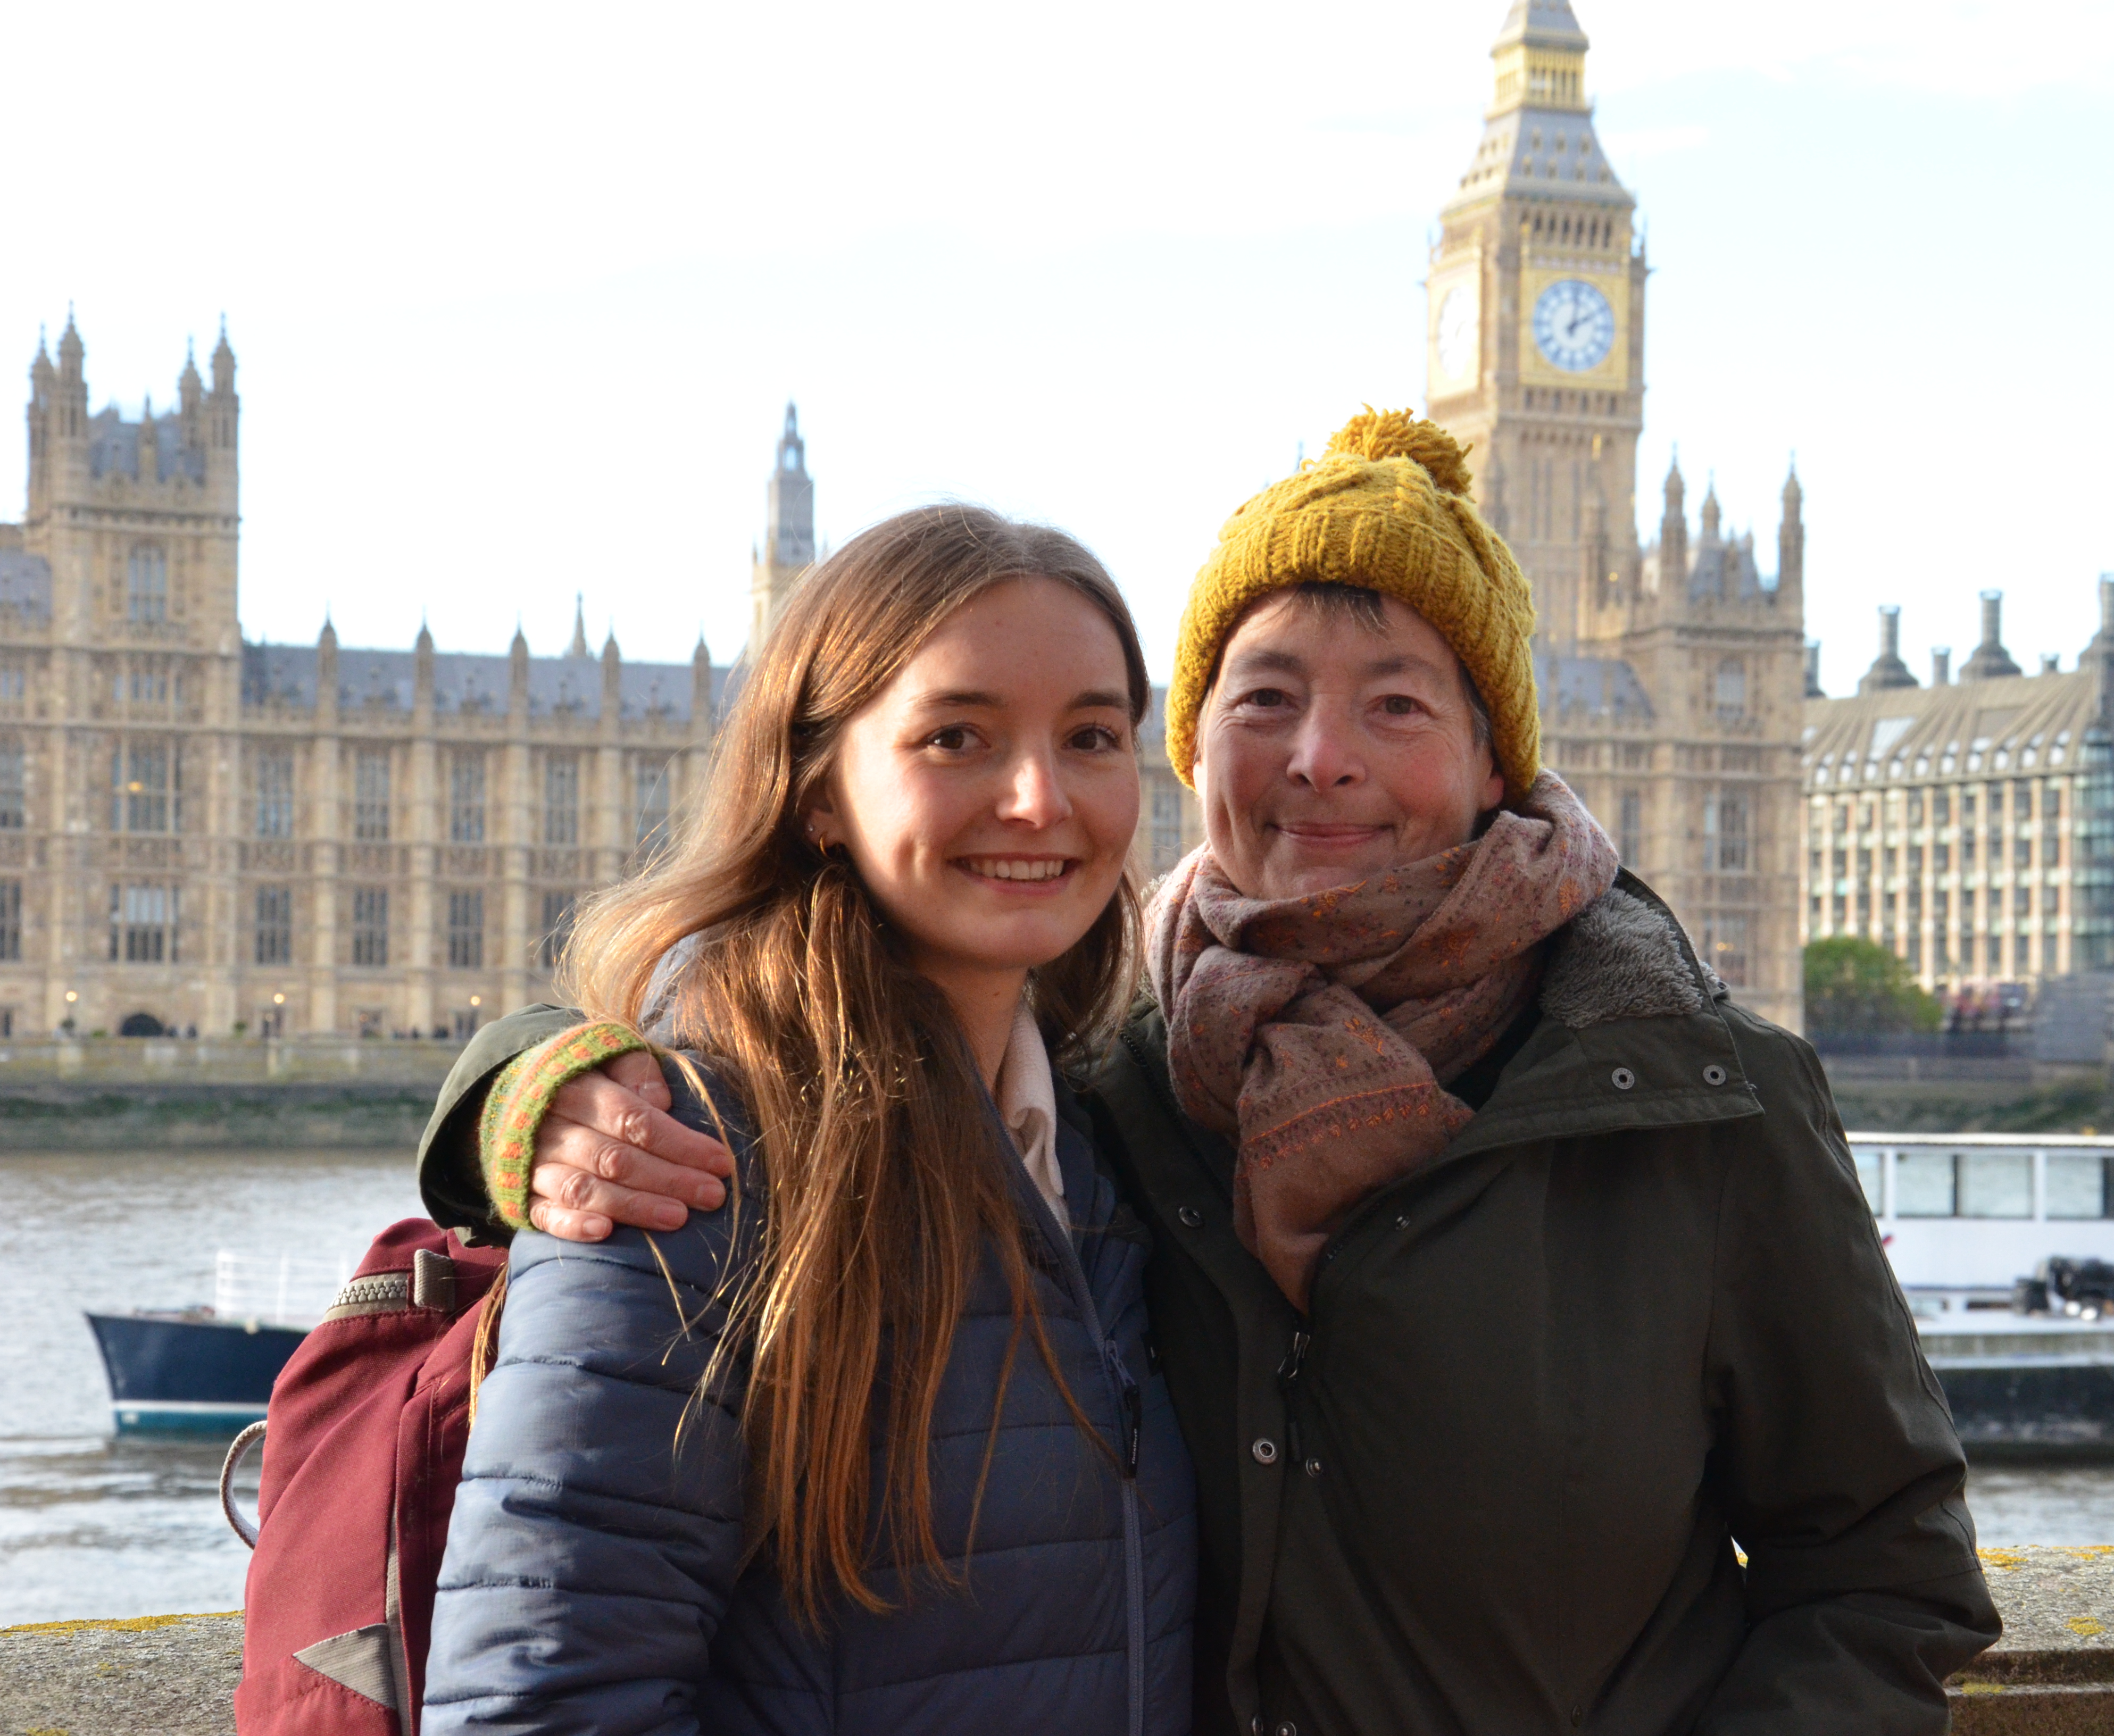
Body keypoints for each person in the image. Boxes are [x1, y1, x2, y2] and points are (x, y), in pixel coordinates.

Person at [420, 412, 1999, 1735]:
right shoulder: (1125, 1084)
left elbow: (1884, 1574)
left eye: (1397, 704)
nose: (1322, 759)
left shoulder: (1701, 1100)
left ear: (1501, 755)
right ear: (1197, 751)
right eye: (1264, 701)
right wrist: (524, 1088)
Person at [421, 506, 1197, 1736]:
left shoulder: (1114, 1148)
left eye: (1092, 736)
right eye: (957, 737)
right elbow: (542, 1704)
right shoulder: (677, 1167)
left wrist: (500, 1080)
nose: (1041, 797)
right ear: (817, 790)